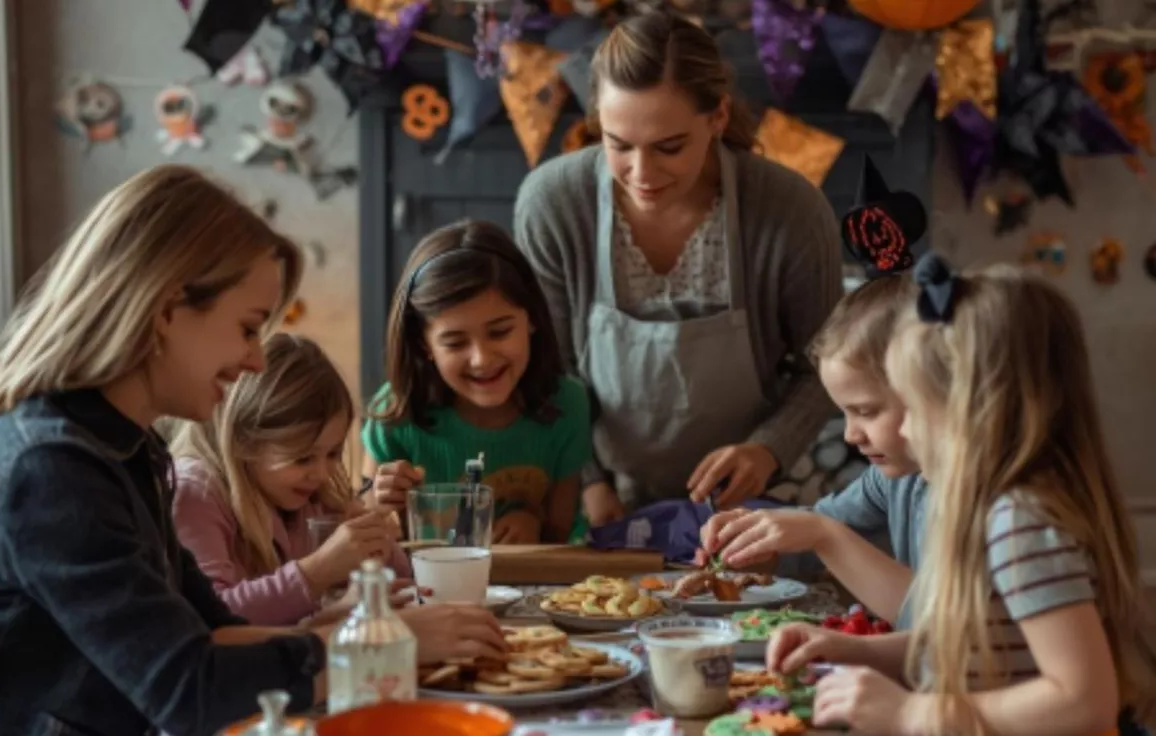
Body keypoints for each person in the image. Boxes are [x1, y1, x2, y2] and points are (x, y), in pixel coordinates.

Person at [0, 165, 325, 736]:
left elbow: (211, 629)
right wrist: (374, 653)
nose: (257, 359)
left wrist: (363, 630)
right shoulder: (49, 470)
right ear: (166, 310)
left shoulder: (130, 450)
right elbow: (190, 689)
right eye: (247, 327)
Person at [770, 260, 1156, 736]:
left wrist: (911, 712)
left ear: (972, 409)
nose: (902, 427)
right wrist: (854, 651)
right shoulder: (988, 509)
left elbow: (1081, 701)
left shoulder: (1019, 522)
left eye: (913, 407)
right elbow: (980, 653)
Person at [514, 11, 842, 527]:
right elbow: (549, 371)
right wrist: (589, 480)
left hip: (756, 498)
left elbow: (826, 365)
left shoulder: (790, 210)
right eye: (618, 144)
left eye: (669, 147)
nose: (641, 175)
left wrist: (767, 450)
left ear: (717, 117)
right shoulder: (552, 203)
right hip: (599, 495)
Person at [155, 332, 507, 736]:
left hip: (309, 713)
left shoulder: (311, 492)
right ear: (243, 439)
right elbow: (214, 622)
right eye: (302, 457)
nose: (321, 472)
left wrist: (380, 545)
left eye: (331, 453)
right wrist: (318, 570)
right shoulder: (198, 491)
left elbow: (399, 587)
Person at [698, 159, 928, 625]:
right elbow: (813, 533)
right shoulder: (895, 478)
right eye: (845, 413)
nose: (850, 435)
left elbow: (937, 619)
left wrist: (824, 535)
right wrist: (760, 542)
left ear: (932, 389)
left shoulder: (982, 498)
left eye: (864, 410)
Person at [363, 220, 592, 544]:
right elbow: (367, 533)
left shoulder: (567, 404)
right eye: (455, 343)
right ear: (424, 344)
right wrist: (381, 500)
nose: (481, 359)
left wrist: (534, 523)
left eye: (500, 332)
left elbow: (561, 529)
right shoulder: (395, 412)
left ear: (532, 319)